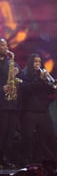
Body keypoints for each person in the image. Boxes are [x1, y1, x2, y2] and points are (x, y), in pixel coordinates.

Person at [18, 54, 57, 165]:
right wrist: (39, 79)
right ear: (31, 62)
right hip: (29, 111)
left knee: (48, 135)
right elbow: (27, 89)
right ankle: (26, 160)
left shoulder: (43, 75)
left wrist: (47, 82)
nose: (37, 64)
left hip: (43, 111)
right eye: (35, 61)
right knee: (28, 138)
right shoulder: (24, 75)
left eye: (39, 62)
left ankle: (49, 160)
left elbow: (52, 92)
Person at [0, 38, 19, 168]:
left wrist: (17, 70)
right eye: (1, 45)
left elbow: (19, 71)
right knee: (1, 132)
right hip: (1, 104)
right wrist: (2, 88)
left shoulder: (10, 61)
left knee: (10, 133)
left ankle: (6, 158)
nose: (5, 47)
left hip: (11, 103)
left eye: (5, 45)